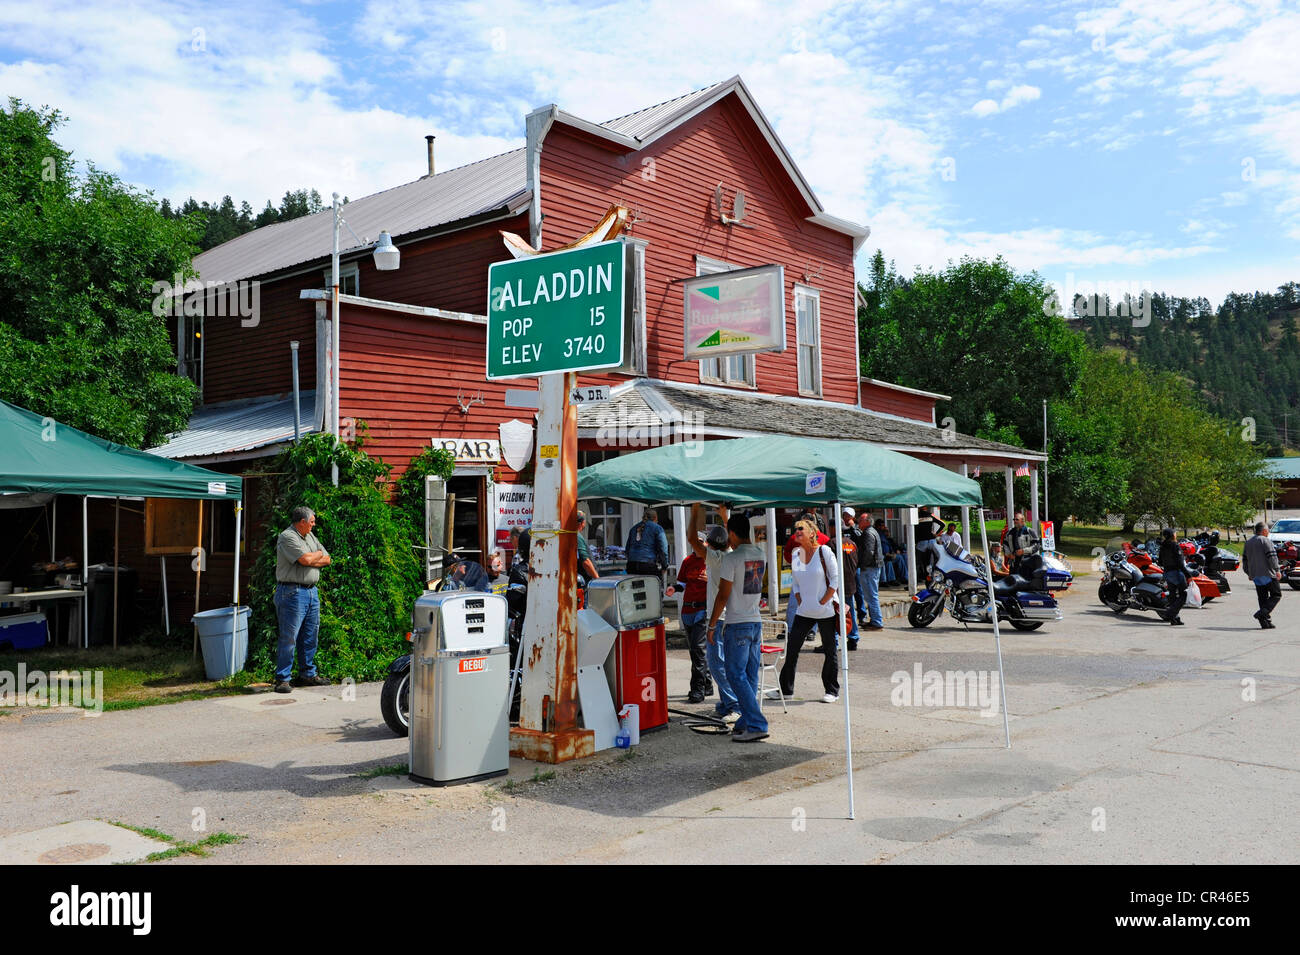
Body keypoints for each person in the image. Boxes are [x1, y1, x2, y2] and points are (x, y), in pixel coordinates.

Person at [706, 512, 769, 742]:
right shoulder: (760, 553)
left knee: (734, 674)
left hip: (737, 623)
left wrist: (711, 625)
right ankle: (746, 721)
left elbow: (722, 596)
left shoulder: (732, 559)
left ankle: (756, 723)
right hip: (754, 621)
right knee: (750, 676)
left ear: (732, 533)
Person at [780, 519, 844, 703]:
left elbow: (835, 580)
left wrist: (823, 601)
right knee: (792, 649)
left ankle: (832, 690)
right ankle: (786, 690)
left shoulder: (825, 551)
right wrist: (801, 601)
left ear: (812, 533)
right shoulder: (796, 554)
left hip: (826, 611)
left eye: (801, 529)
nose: (797, 532)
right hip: (804, 611)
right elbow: (797, 582)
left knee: (830, 650)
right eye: (795, 529)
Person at [274, 505, 332, 693]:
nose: (314, 525)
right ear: (302, 522)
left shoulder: (309, 536)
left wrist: (311, 557)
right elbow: (305, 560)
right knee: (289, 637)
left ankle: (307, 674)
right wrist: (314, 556)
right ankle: (283, 679)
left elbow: (328, 558)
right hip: (292, 592)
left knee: (310, 635)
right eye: (312, 522)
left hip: (311, 592)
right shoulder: (288, 536)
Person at [666, 503, 714, 703]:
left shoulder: (712, 560)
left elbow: (721, 585)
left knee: (698, 650)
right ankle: (708, 684)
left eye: (700, 543)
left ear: (705, 544)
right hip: (687, 610)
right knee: (696, 651)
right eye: (696, 543)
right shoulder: (687, 561)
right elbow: (682, 583)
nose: (697, 546)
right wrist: (673, 589)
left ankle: (697, 690)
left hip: (703, 610)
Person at [1242, 521, 1281, 629]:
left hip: (1255, 575)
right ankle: (1262, 613)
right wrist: (1277, 570)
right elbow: (1272, 557)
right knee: (1276, 595)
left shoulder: (1248, 542)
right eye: (1267, 530)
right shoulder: (1265, 541)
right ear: (1264, 531)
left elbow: (1245, 560)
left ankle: (1265, 622)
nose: (1268, 532)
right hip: (1268, 574)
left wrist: (1249, 573)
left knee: (1262, 598)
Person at [625, 508, 669, 585]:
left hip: (631, 565)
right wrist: (664, 566)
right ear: (655, 518)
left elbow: (627, 549)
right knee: (653, 591)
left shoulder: (633, 529)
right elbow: (663, 549)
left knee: (635, 593)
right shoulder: (657, 528)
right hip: (648, 565)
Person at [857, 512, 884, 633]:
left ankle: (877, 622)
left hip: (870, 567)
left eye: (860, 520)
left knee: (871, 595)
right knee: (871, 595)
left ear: (867, 521)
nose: (858, 522)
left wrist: (862, 565)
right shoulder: (871, 531)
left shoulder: (868, 533)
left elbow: (869, 551)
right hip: (872, 567)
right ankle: (875, 620)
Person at [1157, 528, 1188, 626]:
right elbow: (1180, 564)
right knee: (1183, 595)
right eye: (1175, 533)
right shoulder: (1175, 546)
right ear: (1172, 535)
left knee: (1173, 596)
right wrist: (1188, 575)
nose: (1176, 534)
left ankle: (1175, 619)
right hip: (1176, 573)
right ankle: (1171, 613)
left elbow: (1160, 562)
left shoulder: (1163, 546)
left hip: (1167, 573)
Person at [915, 507, 945, 579]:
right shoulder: (931, 515)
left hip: (922, 541)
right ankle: (934, 576)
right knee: (933, 559)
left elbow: (914, 530)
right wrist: (936, 534)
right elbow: (943, 524)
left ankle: (916, 578)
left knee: (917, 561)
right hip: (932, 540)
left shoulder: (916, 516)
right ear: (926, 508)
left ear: (919, 509)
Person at [576, 510, 599, 584]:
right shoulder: (577, 537)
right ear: (581, 523)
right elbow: (585, 561)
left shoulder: (574, 535)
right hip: (585, 580)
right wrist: (597, 579)